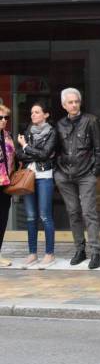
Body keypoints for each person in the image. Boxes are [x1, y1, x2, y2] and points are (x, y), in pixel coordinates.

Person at [54, 87, 100, 269]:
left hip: (86, 174)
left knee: (88, 212)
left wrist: (95, 171)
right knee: (73, 212)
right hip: (64, 175)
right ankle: (79, 250)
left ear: (80, 102)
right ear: (63, 105)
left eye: (76, 101)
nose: (74, 104)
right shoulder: (59, 124)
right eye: (70, 102)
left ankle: (95, 252)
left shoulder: (91, 121)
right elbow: (55, 149)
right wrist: (57, 173)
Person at [15, 103, 57, 267]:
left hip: (44, 176)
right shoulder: (28, 131)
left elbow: (46, 154)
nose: (33, 115)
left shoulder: (52, 133)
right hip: (28, 176)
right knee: (31, 216)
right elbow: (19, 155)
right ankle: (32, 253)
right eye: (32, 112)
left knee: (45, 216)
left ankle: (49, 253)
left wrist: (26, 147)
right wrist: (32, 153)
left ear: (45, 115)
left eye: (37, 112)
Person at [0, 104, 14, 267]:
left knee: (2, 219)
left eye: (6, 118)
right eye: (0, 117)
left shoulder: (8, 136)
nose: (3, 121)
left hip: (5, 184)